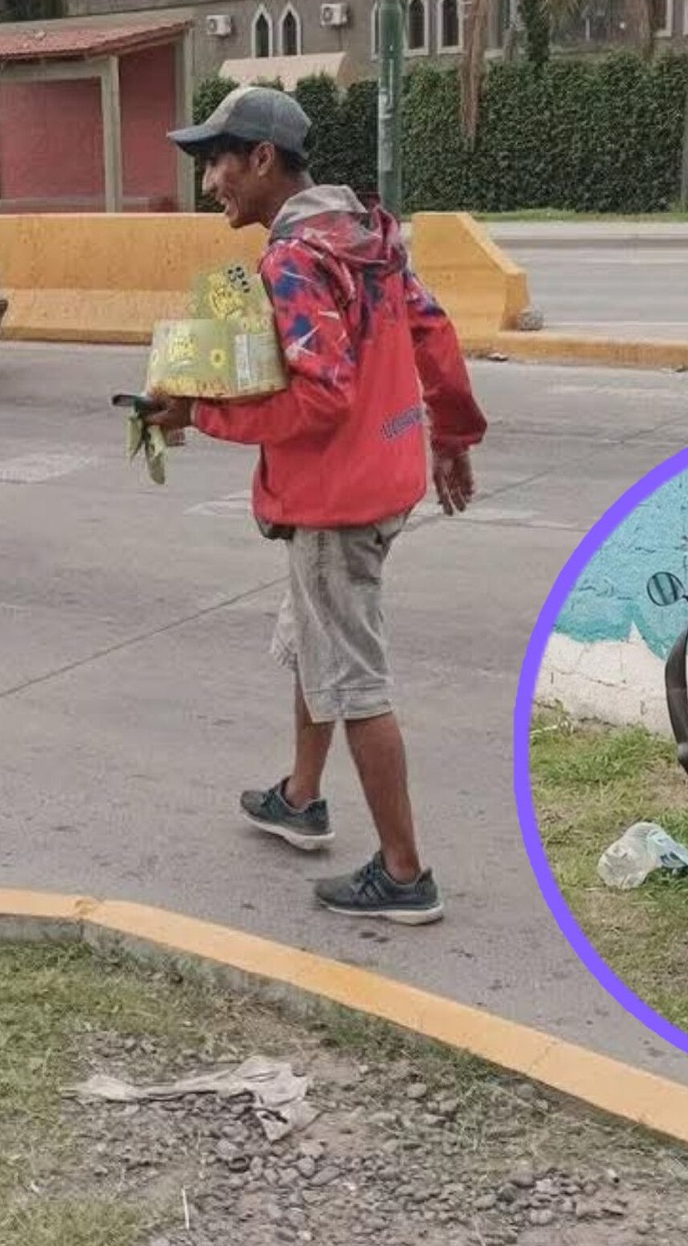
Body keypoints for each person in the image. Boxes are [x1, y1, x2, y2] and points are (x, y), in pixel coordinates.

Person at [147, 85, 488, 925]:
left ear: (263, 159)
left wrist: (202, 413)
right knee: (316, 634)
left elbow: (324, 394)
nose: (210, 184)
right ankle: (301, 797)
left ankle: (406, 873)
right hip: (386, 474)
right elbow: (431, 331)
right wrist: (451, 434)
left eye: (218, 163)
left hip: (337, 496)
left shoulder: (293, 259)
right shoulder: (370, 233)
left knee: (354, 676)